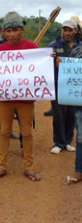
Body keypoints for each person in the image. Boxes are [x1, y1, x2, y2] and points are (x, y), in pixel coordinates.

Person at [0, 11, 42, 181]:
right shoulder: (0, 49)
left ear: (22, 30)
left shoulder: (32, 47)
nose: (12, 34)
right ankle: (2, 166)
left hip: (25, 99)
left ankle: (28, 166)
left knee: (26, 132)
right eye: (8, 31)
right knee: (4, 131)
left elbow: (41, 69)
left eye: (15, 30)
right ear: (4, 32)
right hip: (5, 98)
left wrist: (51, 59)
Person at [47, 19, 81, 154]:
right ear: (61, 31)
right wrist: (52, 61)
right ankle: (58, 143)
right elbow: (43, 64)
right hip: (57, 85)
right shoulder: (53, 46)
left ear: (75, 31)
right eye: (64, 30)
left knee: (71, 115)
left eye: (69, 30)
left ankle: (68, 141)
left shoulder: (81, 46)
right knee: (59, 115)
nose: (66, 33)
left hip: (75, 87)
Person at [62, 45, 82, 184]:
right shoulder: (76, 51)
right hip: (80, 101)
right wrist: (61, 65)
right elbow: (69, 72)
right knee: (81, 138)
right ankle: (79, 171)